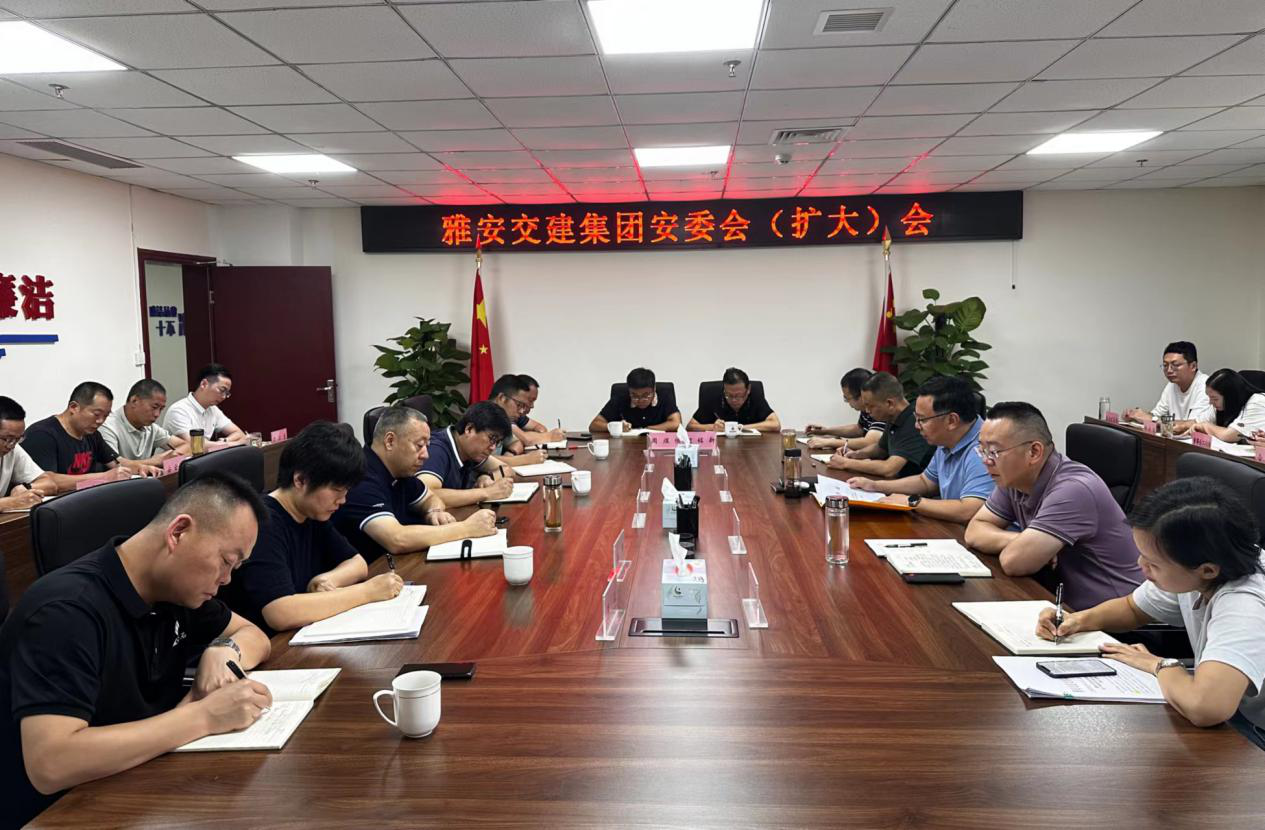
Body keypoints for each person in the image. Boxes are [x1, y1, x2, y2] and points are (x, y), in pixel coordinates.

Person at [0, 473, 274, 829]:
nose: (226, 580)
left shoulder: (177, 588)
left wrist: (224, 649)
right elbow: (51, 764)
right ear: (178, 532)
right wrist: (205, 716)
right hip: (61, 810)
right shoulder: (65, 612)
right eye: (226, 561)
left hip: (142, 780)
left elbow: (254, 635)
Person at [1036, 477, 1265, 744]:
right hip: (1236, 710)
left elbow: (1206, 708)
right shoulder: (1206, 563)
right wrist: (1077, 620)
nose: (1140, 565)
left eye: (1153, 564)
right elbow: (1133, 609)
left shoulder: (1245, 604)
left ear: (1207, 570)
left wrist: (1159, 664)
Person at [218, 421, 404, 634]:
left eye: (346, 491)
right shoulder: (262, 522)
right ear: (300, 480)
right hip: (270, 644)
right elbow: (280, 612)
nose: (342, 500)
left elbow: (357, 563)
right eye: (337, 490)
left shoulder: (312, 513)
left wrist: (327, 579)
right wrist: (367, 592)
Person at [965, 401, 1144, 610]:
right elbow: (974, 531)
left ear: (1034, 452)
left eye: (994, 452)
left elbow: (1014, 562)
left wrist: (1020, 546)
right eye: (982, 450)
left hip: (1116, 615)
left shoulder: (1074, 490)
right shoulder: (1014, 478)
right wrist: (1017, 539)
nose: (986, 461)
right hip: (1062, 604)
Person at [335, 406, 499, 560]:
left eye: (426, 446)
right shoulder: (361, 478)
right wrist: (466, 528)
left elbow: (430, 497)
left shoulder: (400, 470)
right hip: (373, 571)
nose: (426, 455)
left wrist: (434, 511)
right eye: (419, 445)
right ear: (390, 441)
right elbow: (397, 539)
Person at [845, 376, 993, 523]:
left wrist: (911, 502)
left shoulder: (983, 449)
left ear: (951, 420)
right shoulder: (948, 438)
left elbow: (968, 510)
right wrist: (875, 485)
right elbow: (925, 482)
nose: (916, 426)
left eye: (922, 420)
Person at [20, 382, 158, 491]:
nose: (100, 421)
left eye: (105, 416)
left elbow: (116, 464)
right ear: (74, 407)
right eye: (96, 414)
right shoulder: (42, 435)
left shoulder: (92, 434)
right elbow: (46, 481)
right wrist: (104, 477)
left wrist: (140, 468)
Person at [826, 371, 933, 479]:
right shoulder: (893, 417)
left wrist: (845, 463)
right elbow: (881, 448)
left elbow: (889, 469)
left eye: (870, 406)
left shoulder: (914, 422)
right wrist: (856, 454)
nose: (867, 411)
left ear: (889, 403)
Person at [420, 401, 516, 508]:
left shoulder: (470, 450)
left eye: (497, 442)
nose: (493, 447)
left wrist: (485, 477)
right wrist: (487, 492)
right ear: (469, 429)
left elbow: (506, 470)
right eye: (492, 438)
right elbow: (426, 495)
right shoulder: (436, 450)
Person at [1125, 341, 1214, 431]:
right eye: (1165, 365)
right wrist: (1135, 416)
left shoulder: (1206, 386)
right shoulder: (1171, 385)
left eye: (1175, 365)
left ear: (1193, 366)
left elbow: (1192, 425)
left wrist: (1152, 419)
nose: (1169, 370)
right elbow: (1156, 414)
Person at [98, 379, 189, 463]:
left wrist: (172, 455)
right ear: (134, 401)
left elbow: (186, 446)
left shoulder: (151, 428)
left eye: (161, 409)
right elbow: (115, 464)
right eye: (154, 407)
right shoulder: (108, 426)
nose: (157, 414)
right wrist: (156, 461)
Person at [804, 368, 887, 453]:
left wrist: (830, 442)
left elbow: (869, 442)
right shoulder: (866, 410)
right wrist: (825, 431)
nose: (848, 403)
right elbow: (859, 429)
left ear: (862, 396)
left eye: (847, 398)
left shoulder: (879, 410)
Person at [163, 363, 247, 446]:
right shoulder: (179, 410)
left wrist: (225, 441)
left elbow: (239, 434)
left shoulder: (213, 409)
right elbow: (196, 446)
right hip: (180, 455)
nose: (224, 397)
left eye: (227, 393)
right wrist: (235, 443)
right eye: (222, 390)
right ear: (204, 384)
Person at [1179, 368, 1265, 444]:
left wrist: (1206, 426)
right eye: (1209, 397)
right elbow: (1197, 422)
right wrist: (1176, 426)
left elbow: (1230, 435)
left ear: (1230, 397)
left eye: (1215, 399)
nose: (1210, 402)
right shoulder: (1222, 405)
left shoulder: (1257, 402)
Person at [0, 396, 55, 510]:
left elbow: (50, 484)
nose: (11, 445)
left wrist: (26, 487)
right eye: (7, 439)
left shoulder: (13, 449)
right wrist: (12, 502)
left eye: (18, 439)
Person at [687, 367, 782, 433]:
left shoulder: (755, 395)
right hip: (721, 448)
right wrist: (712, 427)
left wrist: (739, 428)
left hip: (751, 448)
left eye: (739, 396)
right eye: (729, 395)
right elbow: (690, 427)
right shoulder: (713, 395)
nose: (734, 400)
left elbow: (775, 424)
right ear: (724, 389)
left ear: (748, 390)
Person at [590, 367, 681, 433]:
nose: (640, 400)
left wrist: (647, 429)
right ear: (629, 390)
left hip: (657, 444)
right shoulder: (621, 397)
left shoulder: (664, 395)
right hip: (626, 447)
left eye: (645, 395)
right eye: (635, 396)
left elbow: (676, 423)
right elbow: (594, 425)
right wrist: (616, 427)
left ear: (654, 389)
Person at [487, 375, 548, 468]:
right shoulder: (481, 419)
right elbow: (482, 460)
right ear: (502, 398)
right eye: (519, 405)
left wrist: (509, 455)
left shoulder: (501, 421)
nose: (521, 411)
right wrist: (526, 459)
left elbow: (516, 443)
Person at [512, 374, 565, 447]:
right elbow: (526, 440)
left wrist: (537, 437)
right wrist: (550, 436)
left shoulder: (518, 415)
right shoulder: (503, 416)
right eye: (530, 400)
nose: (532, 406)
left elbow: (540, 428)